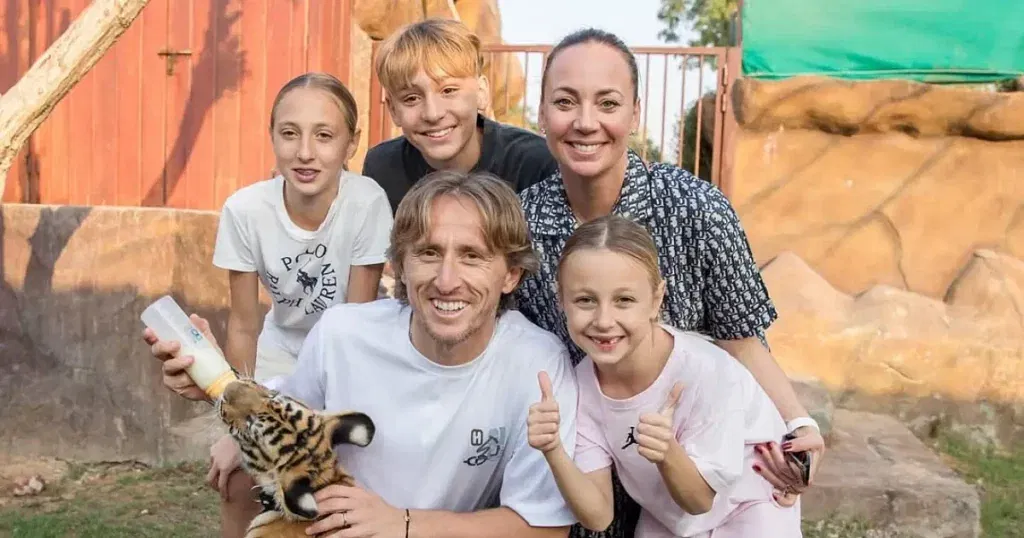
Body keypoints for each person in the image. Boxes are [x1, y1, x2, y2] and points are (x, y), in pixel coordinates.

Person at [146, 170, 580, 538]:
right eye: (429, 253)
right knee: (238, 471)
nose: (448, 280)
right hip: (337, 528)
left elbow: (543, 527)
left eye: (472, 256)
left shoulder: (535, 363)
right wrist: (211, 387)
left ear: (511, 275)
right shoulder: (343, 334)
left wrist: (403, 523)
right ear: (400, 265)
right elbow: (287, 426)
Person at [514, 28, 824, 538]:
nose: (586, 122)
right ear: (543, 113)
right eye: (565, 102)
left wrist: (797, 427)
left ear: (634, 114)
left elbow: (741, 340)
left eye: (607, 103)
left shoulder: (696, 208)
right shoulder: (522, 225)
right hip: (592, 458)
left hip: (704, 460)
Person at [528, 215, 802, 538]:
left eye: (624, 300)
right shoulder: (581, 388)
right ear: (561, 300)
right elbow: (599, 516)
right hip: (670, 520)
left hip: (748, 507)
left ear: (656, 300)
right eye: (585, 300)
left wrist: (667, 451)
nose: (604, 320)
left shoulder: (708, 372)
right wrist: (554, 451)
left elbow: (700, 500)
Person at [205, 71, 393, 383]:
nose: (305, 153)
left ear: (351, 144)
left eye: (324, 136)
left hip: (354, 345)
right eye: (290, 133)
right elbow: (243, 325)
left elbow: (356, 322)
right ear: (272, 136)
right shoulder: (244, 211)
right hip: (281, 347)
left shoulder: (366, 202)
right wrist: (240, 403)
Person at [361, 18, 558, 214]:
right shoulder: (383, 167)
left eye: (448, 91)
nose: (433, 113)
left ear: (481, 93)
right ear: (393, 110)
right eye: (411, 98)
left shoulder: (534, 164)